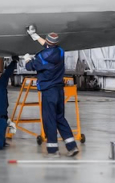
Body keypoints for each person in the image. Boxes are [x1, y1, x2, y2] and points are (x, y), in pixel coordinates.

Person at [25, 26, 79, 157]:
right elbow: (48, 46)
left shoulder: (42, 57)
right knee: (60, 118)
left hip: (48, 92)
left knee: (49, 120)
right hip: (59, 90)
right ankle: (72, 146)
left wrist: (26, 58)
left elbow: (29, 67)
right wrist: (35, 36)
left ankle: (53, 150)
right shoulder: (60, 52)